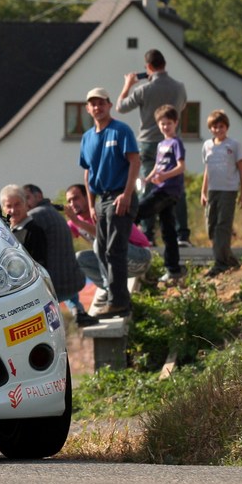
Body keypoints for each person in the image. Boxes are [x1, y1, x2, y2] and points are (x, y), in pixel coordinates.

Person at [79, 86, 141, 318]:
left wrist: (126, 194)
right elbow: (87, 172)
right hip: (101, 199)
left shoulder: (120, 130)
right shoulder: (87, 138)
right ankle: (118, 299)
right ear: (88, 108)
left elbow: (134, 162)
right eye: (93, 104)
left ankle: (118, 302)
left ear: (109, 105)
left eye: (101, 103)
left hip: (120, 196)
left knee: (115, 249)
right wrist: (91, 202)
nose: (97, 107)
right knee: (102, 249)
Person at [118, 49, 190, 246]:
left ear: (148, 67)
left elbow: (121, 107)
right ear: (164, 64)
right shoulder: (179, 87)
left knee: (150, 188)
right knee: (176, 188)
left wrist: (127, 85)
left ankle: (148, 234)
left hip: (149, 142)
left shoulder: (144, 90)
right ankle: (182, 233)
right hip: (173, 141)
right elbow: (181, 107)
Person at [65, 184, 154, 310]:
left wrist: (78, 222)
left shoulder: (101, 210)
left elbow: (104, 236)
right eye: (69, 201)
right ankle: (110, 290)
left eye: (76, 198)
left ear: (87, 197)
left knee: (99, 243)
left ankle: (114, 293)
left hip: (139, 256)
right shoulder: (75, 222)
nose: (73, 203)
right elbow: (62, 239)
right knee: (79, 258)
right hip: (120, 264)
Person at [21, 184, 90, 323]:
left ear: (38, 196)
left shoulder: (34, 216)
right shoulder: (53, 213)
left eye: (27, 198)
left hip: (55, 290)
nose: (25, 203)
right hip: (74, 284)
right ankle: (78, 309)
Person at [133, 104, 186, 283]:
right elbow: (157, 166)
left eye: (169, 123)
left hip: (168, 190)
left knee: (138, 211)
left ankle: (132, 245)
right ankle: (174, 269)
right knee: (168, 230)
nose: (165, 127)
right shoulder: (161, 144)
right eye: (162, 124)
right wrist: (147, 178)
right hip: (159, 187)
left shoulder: (176, 142)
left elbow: (181, 167)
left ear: (175, 123)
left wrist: (164, 176)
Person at [200, 109, 242, 277]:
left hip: (229, 190)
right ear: (210, 128)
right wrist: (203, 191)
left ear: (226, 127)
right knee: (211, 227)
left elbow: (241, 169)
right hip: (213, 189)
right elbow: (207, 169)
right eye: (214, 127)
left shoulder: (234, 145)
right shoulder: (207, 145)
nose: (218, 130)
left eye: (221, 126)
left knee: (223, 226)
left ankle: (220, 264)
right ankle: (229, 259)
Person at [0, 184, 46, 264]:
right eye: (9, 206)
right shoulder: (5, 231)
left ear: (25, 204)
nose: (13, 210)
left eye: (17, 204)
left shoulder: (34, 231)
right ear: (3, 208)